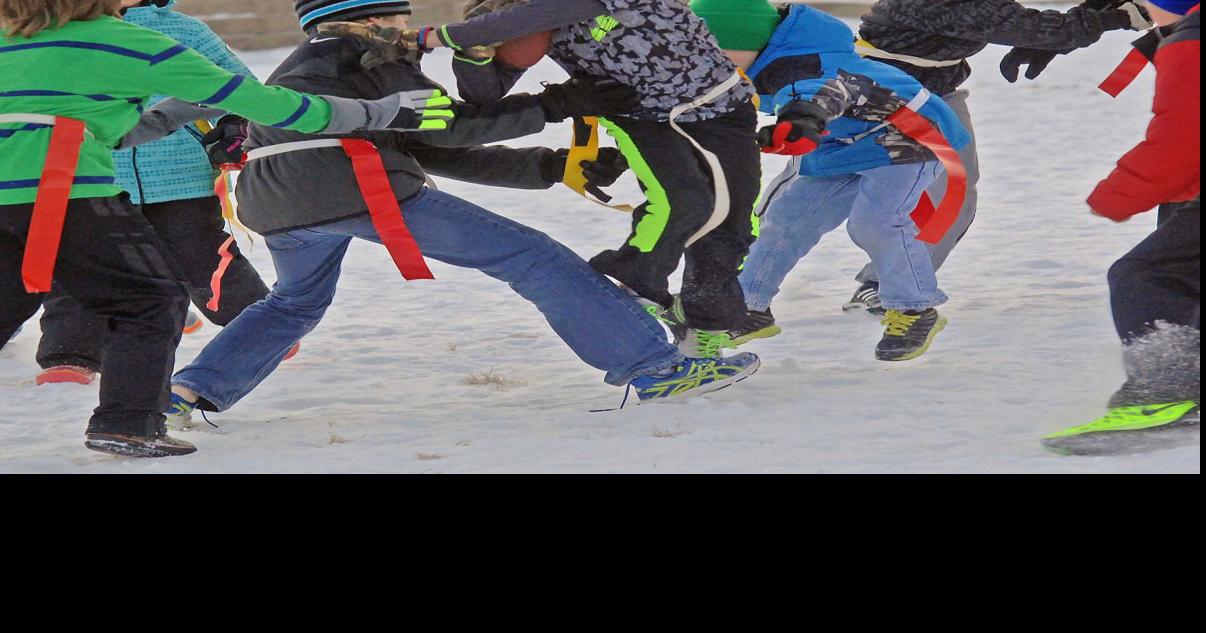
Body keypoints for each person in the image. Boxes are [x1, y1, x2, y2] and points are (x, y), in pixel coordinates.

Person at [164, 0, 762, 428]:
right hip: (354, 187)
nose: (406, 26)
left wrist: (552, 166)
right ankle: (653, 366)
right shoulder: (365, 51)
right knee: (531, 257)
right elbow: (446, 128)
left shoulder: (309, 60)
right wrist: (555, 103)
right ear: (372, 16)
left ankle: (189, 391)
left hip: (275, 199)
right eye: (398, 15)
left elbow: (422, 146)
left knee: (293, 302)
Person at [0, 0, 461, 457]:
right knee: (149, 300)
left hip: (17, 189)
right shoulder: (123, 40)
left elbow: (97, 129)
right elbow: (269, 104)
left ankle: (127, 420)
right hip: (61, 186)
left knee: (9, 297)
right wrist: (379, 113)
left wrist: (175, 115)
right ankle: (127, 426)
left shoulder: (11, 39)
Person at [325, 0, 764, 357]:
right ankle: (632, 278)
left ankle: (708, 318)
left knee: (734, 220)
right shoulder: (526, 18)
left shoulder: (551, 9)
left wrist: (434, 37)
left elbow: (543, 12)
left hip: (720, 108)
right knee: (683, 203)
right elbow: (482, 94)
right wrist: (475, 50)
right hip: (637, 114)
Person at [3, 0, 284, 387]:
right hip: (93, 174)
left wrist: (233, 126)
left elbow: (235, 84)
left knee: (201, 253)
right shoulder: (66, 31)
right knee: (79, 261)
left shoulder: (184, 29)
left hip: (177, 171)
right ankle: (71, 352)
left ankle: (258, 326)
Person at [831, 0, 1154, 314]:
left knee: (953, 193)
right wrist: (1121, 16)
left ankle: (891, 285)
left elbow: (1028, 25)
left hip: (935, 96)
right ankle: (781, 276)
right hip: (867, 93)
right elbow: (1034, 26)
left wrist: (1093, 14)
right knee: (814, 187)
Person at [691, 1, 971, 362]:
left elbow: (822, 96)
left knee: (876, 223)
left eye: (717, 55)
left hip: (909, 139)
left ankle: (915, 308)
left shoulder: (812, 63)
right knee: (785, 218)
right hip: (843, 145)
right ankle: (748, 307)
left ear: (747, 45)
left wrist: (800, 122)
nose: (710, 66)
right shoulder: (758, 68)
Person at [1041, 0, 1199, 455]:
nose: (1145, 11)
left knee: (1147, 275)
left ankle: (1167, 393)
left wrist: (1118, 196)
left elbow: (1184, 138)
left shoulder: (1192, 43)